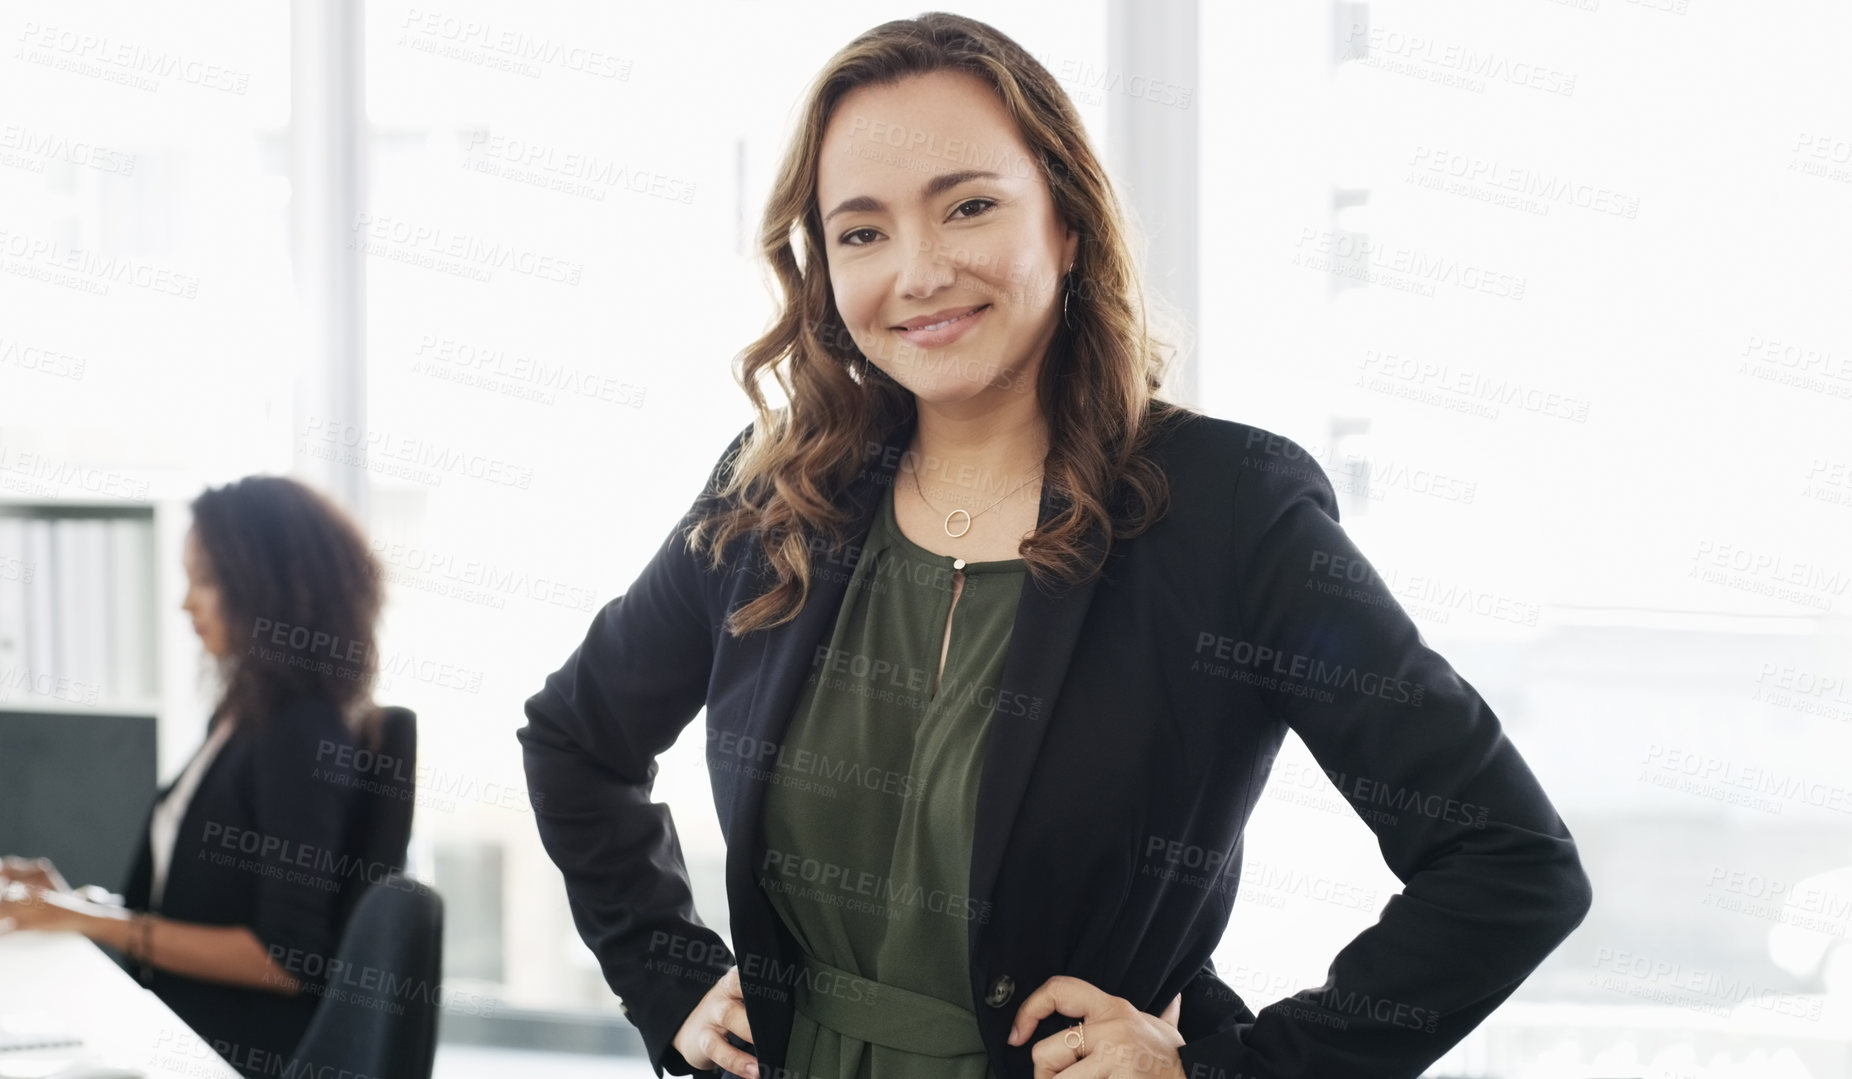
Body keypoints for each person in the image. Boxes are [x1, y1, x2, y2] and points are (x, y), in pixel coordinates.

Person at [517, 12, 1592, 1079]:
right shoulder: (777, 496)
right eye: (862, 232)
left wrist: (1227, 1071)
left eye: (969, 206)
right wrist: (666, 975)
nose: (919, 270)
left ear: (1066, 221)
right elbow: (575, 742)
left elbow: (1506, 860)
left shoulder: (1227, 510)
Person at [0, 476, 405, 1079]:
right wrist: (75, 901)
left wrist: (88, 920)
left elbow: (283, 960)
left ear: (272, 588)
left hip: (226, 1049)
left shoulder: (302, 731)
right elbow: (208, 907)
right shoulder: (243, 718)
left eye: (206, 579)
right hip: (178, 1026)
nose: (186, 602)